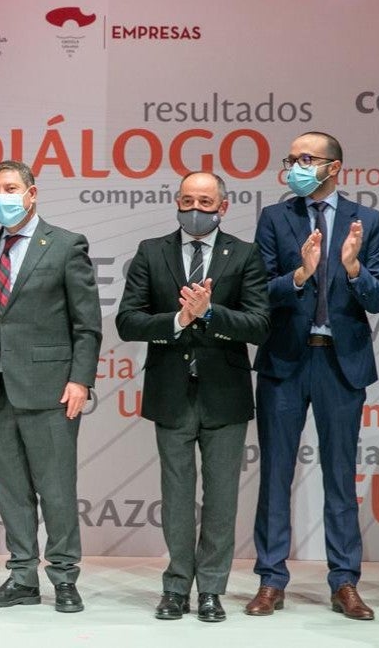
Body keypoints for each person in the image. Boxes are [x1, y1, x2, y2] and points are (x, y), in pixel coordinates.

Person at [115, 171, 269, 623]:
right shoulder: (151, 252)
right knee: (177, 495)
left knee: (222, 497)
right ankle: (177, 586)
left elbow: (260, 324)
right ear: (176, 203)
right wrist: (179, 320)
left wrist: (210, 313)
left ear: (223, 206)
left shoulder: (245, 254)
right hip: (171, 393)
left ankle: (212, 590)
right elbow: (128, 320)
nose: (194, 210)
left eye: (204, 202)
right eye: (187, 200)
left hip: (225, 394)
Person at [248, 132, 379, 620]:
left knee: (339, 474)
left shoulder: (366, 220)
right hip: (285, 361)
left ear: (335, 167)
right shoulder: (275, 217)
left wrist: (352, 268)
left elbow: (378, 296)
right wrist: (301, 276)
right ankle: (271, 579)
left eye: (306, 159)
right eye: (292, 159)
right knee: (276, 474)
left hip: (340, 361)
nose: (296, 167)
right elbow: (261, 290)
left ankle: (345, 581)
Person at [0, 160, 101, 614]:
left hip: (52, 388)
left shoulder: (66, 245)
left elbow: (87, 324)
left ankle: (64, 576)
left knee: (57, 488)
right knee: (10, 489)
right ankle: (22, 576)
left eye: (10, 188)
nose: (1, 197)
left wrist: (81, 379)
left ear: (32, 193)